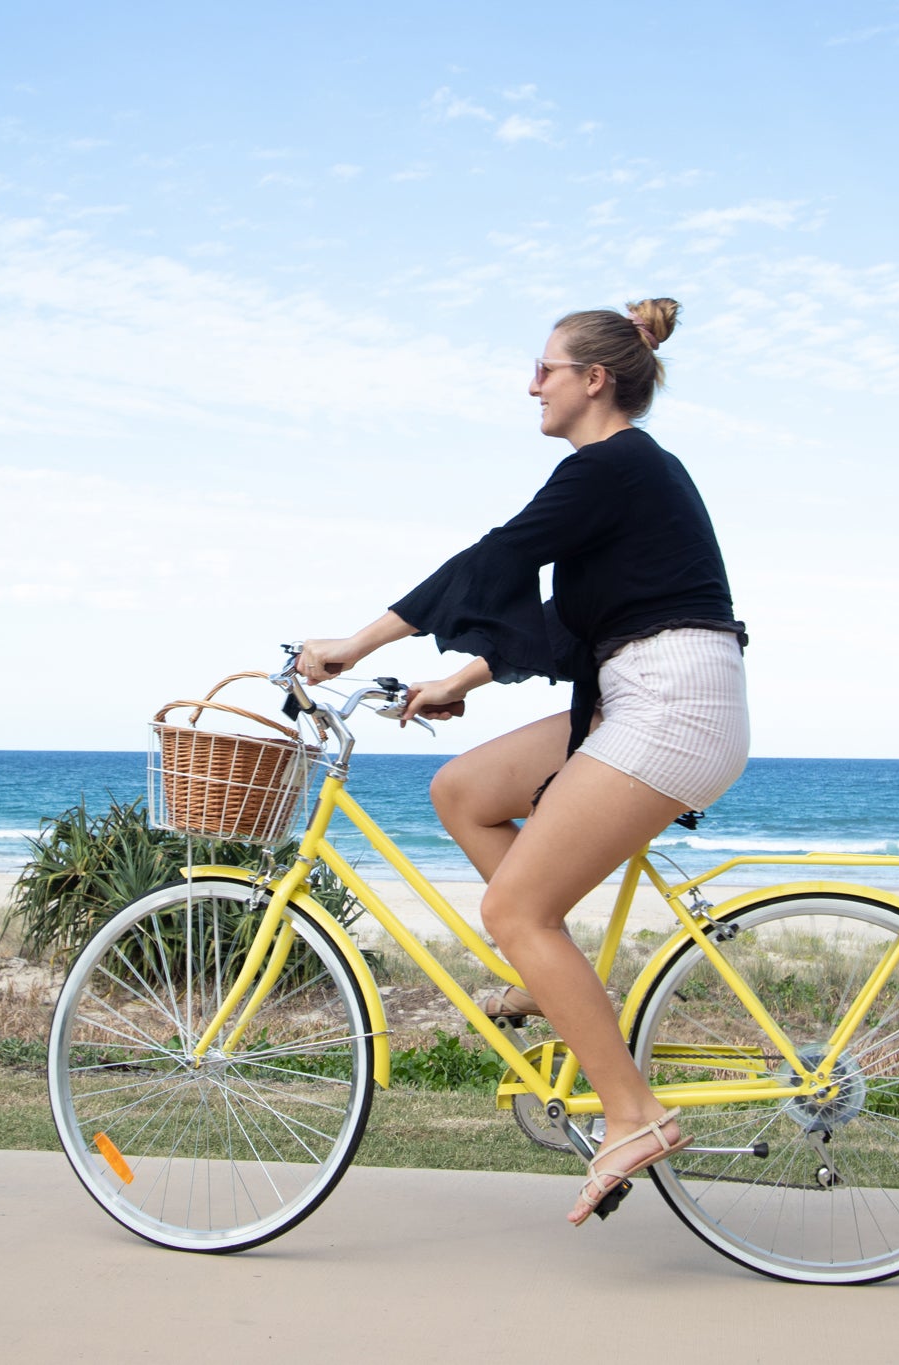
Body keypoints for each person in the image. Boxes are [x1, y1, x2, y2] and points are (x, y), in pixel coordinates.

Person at [299, 298, 749, 1227]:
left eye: (544, 368)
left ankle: (632, 1115)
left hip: (671, 701)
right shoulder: (620, 481)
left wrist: (356, 644)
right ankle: (553, 976)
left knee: (513, 908)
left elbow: (493, 556)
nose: (530, 383)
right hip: (640, 689)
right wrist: (456, 679)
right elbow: (565, 627)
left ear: (596, 380)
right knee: (463, 788)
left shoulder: (613, 466)